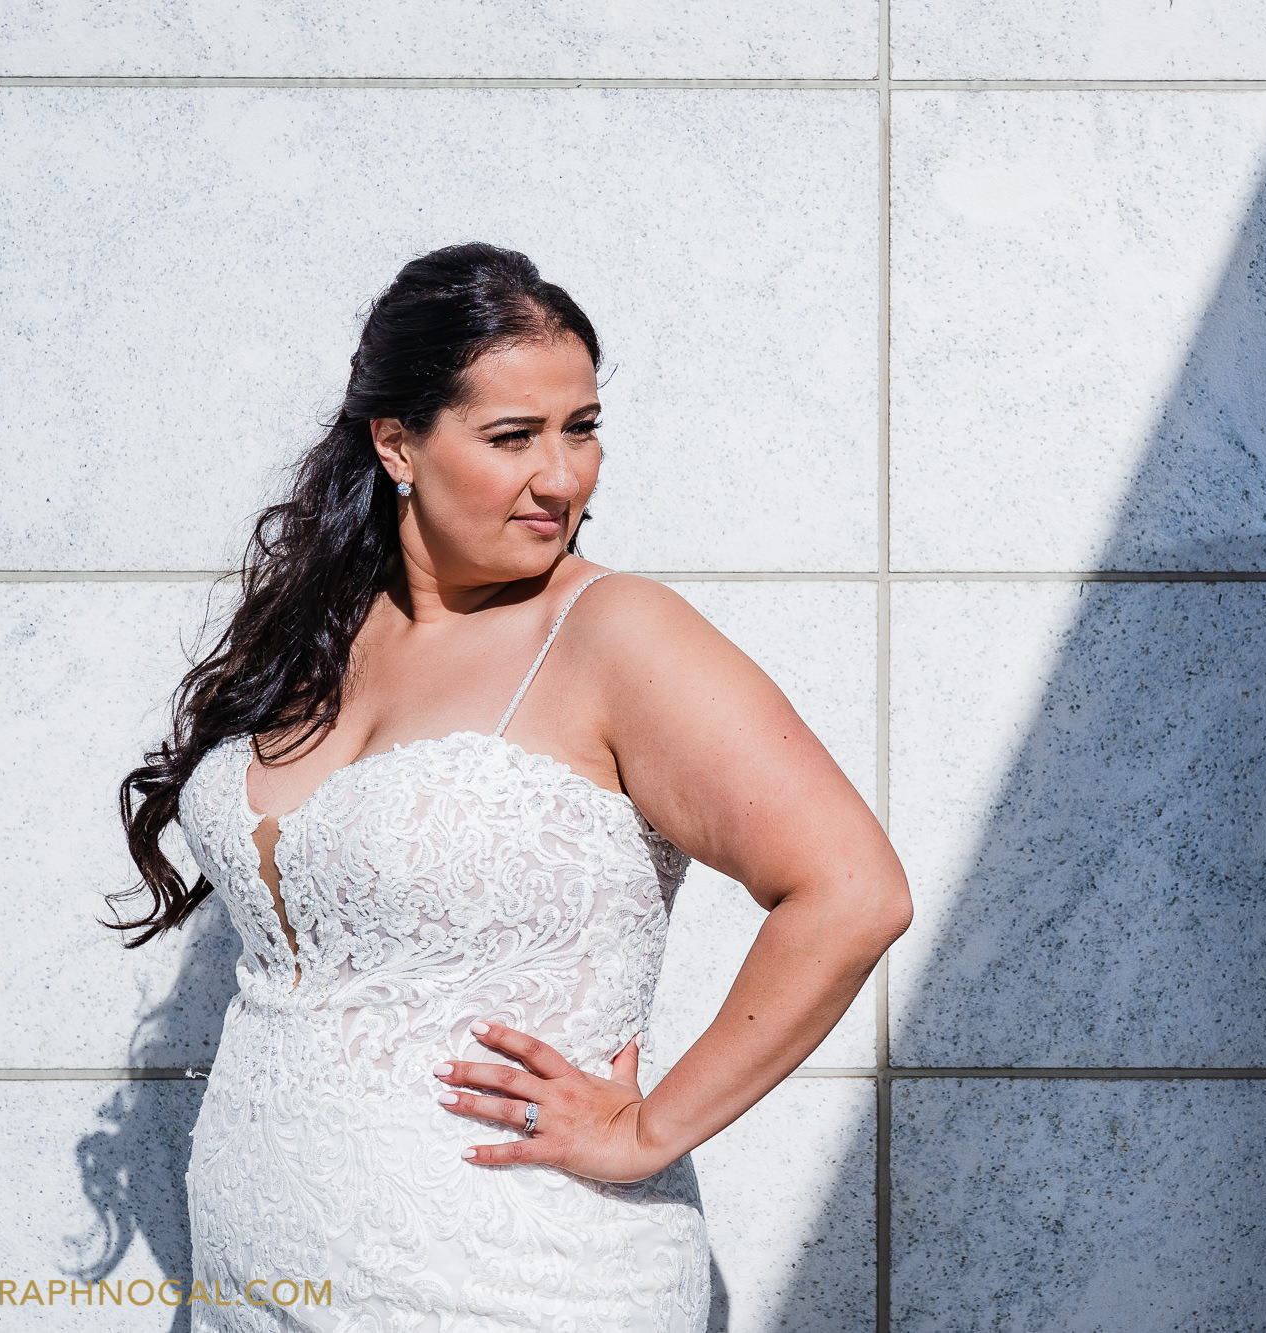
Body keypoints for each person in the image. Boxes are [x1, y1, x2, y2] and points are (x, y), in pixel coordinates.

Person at [115, 242, 912, 1329]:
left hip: (517, 1279)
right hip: (257, 1272)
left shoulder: (612, 633)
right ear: (396, 444)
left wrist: (646, 1129)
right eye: (512, 437)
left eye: (580, 428)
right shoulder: (319, 637)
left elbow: (852, 890)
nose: (563, 475)